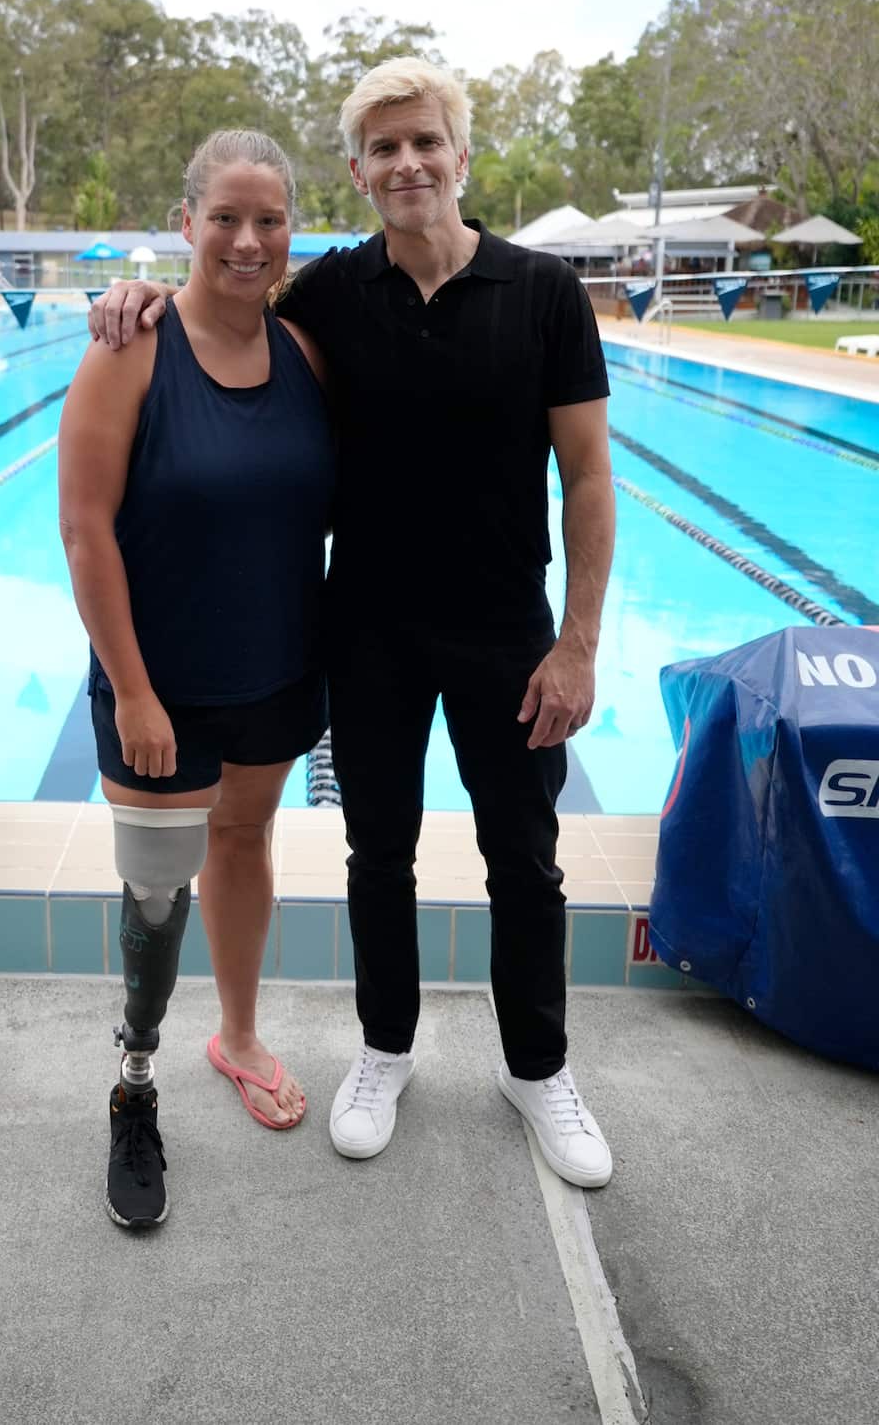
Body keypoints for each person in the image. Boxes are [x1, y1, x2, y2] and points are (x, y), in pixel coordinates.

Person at [89, 59, 617, 1190]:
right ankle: (384, 1053)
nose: (407, 163)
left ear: (460, 156)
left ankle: (537, 1068)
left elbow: (585, 479)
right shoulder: (326, 294)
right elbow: (217, 307)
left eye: (425, 141)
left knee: (523, 859)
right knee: (375, 855)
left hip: (503, 632)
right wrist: (129, 296)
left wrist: (575, 643)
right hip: (365, 630)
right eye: (383, 148)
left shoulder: (541, 295)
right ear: (358, 171)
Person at [58, 129, 332, 1229]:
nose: (247, 238)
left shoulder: (308, 355)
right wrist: (130, 689)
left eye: (268, 218)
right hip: (156, 683)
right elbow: (84, 529)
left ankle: (238, 1035)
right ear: (186, 223)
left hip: (273, 668)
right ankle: (133, 1081)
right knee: (156, 891)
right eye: (225, 216)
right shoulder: (130, 348)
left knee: (242, 842)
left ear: (291, 230)